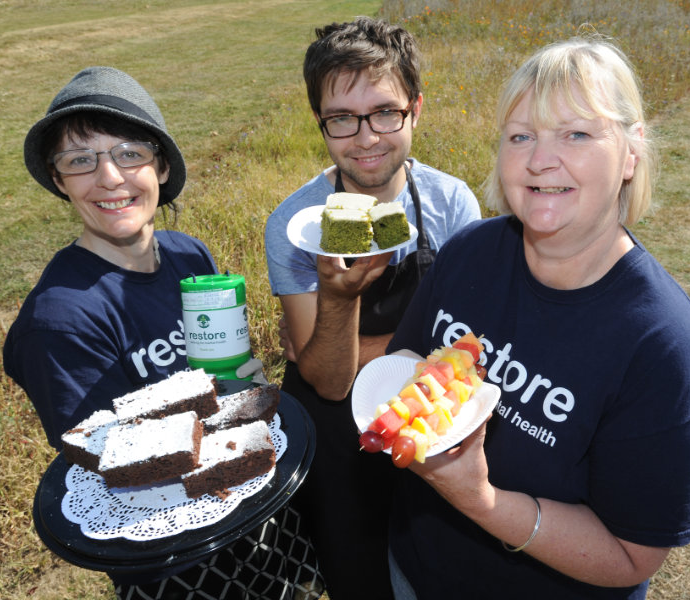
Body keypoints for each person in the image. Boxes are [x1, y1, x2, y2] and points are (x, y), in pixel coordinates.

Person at [382, 36, 690, 599]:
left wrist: (481, 501)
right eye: (521, 136)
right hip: (416, 573)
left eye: (577, 134)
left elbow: (629, 556)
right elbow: (407, 357)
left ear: (631, 152)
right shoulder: (469, 251)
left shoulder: (660, 344)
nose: (541, 159)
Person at [4, 66, 322, 600]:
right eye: (80, 160)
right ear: (59, 181)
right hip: (177, 565)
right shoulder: (60, 322)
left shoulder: (187, 256)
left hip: (259, 513)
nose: (109, 177)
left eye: (129, 153)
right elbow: (117, 481)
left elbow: (230, 379)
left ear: (161, 164)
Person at [264, 17, 482, 600]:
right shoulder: (295, 225)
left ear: (415, 107)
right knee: (358, 577)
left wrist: (339, 345)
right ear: (321, 123)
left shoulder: (451, 204)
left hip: (431, 421)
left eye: (385, 112)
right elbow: (328, 382)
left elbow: (470, 350)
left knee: (440, 570)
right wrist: (337, 299)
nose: (366, 138)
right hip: (338, 443)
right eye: (342, 119)